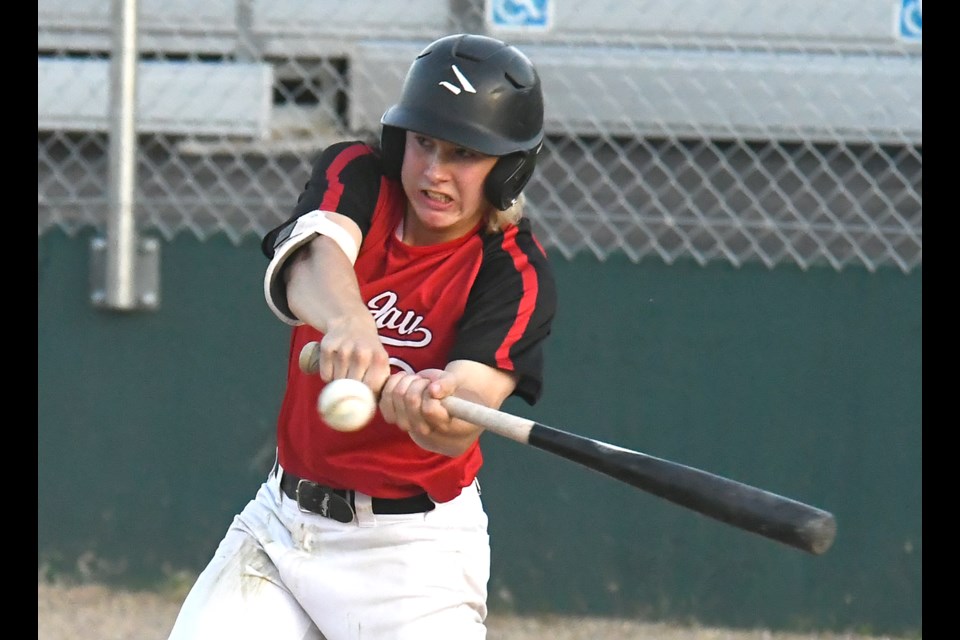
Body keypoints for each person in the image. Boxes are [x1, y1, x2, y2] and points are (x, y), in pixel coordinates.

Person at [167, 33, 557, 640]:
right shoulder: (360, 178)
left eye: (463, 154)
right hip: (283, 527)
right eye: (423, 142)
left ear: (508, 169)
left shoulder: (512, 270)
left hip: (411, 559)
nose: (433, 171)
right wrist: (351, 323)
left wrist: (430, 400)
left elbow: (465, 414)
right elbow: (311, 262)